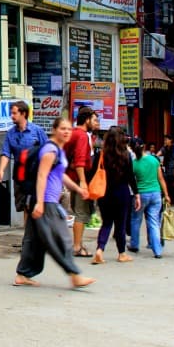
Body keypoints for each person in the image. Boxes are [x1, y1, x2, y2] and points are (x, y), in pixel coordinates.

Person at [13, 116, 96, 289]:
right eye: (63, 129)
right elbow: (42, 176)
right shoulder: (50, 150)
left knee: (33, 241)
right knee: (61, 239)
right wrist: (40, 203)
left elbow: (60, 175)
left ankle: (22, 274)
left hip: (43, 200)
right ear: (54, 130)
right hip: (46, 201)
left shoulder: (58, 150)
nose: (66, 132)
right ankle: (74, 275)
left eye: (69, 129)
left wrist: (78, 188)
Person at [92, 126, 140, 265]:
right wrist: (136, 194)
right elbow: (131, 176)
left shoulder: (101, 154)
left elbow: (93, 173)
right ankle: (122, 253)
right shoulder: (126, 155)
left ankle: (99, 250)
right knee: (120, 224)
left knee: (106, 223)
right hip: (122, 193)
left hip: (104, 193)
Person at [0, 100, 48, 220]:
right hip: (20, 174)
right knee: (25, 206)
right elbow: (6, 153)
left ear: (23, 114)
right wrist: (1, 170)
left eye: (14, 113)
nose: (11, 116)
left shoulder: (37, 131)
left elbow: (48, 151)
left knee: (35, 203)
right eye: (11, 113)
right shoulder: (10, 133)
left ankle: (36, 234)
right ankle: (28, 235)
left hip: (35, 174)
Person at [64, 106, 97, 257]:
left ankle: (79, 244)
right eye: (94, 120)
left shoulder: (73, 133)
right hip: (78, 178)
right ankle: (77, 246)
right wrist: (83, 182)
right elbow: (79, 161)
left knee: (80, 212)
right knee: (81, 212)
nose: (96, 123)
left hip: (71, 177)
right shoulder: (82, 136)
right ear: (87, 120)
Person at [130, 141, 171, 258]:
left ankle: (134, 244)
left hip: (141, 194)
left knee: (136, 220)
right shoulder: (154, 160)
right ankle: (157, 250)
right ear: (145, 147)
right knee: (154, 222)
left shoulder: (134, 164)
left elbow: (132, 181)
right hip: (156, 193)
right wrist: (166, 194)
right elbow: (161, 179)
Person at [158, 135, 174, 206]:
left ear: (171, 140)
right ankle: (169, 200)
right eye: (165, 140)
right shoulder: (165, 148)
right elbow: (158, 154)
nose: (165, 141)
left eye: (167, 140)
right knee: (168, 185)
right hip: (167, 168)